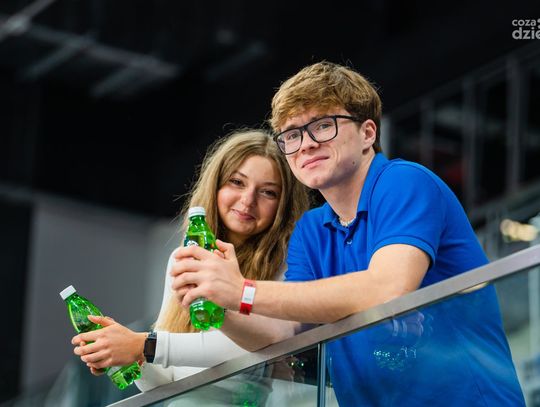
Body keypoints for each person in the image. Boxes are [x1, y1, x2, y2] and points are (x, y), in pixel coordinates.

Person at [171, 62, 526, 406]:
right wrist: (221, 302)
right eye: (291, 135)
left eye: (323, 126)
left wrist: (242, 290)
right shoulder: (310, 229)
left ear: (367, 133)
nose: (306, 144)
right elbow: (285, 332)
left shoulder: (403, 181)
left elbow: (389, 287)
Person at [70, 128, 310, 397]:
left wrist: (143, 345)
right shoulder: (182, 257)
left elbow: (256, 344)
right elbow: (164, 382)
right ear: (215, 184)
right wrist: (133, 357)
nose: (248, 200)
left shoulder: (290, 261)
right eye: (237, 182)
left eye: (268, 192)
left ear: (283, 205)